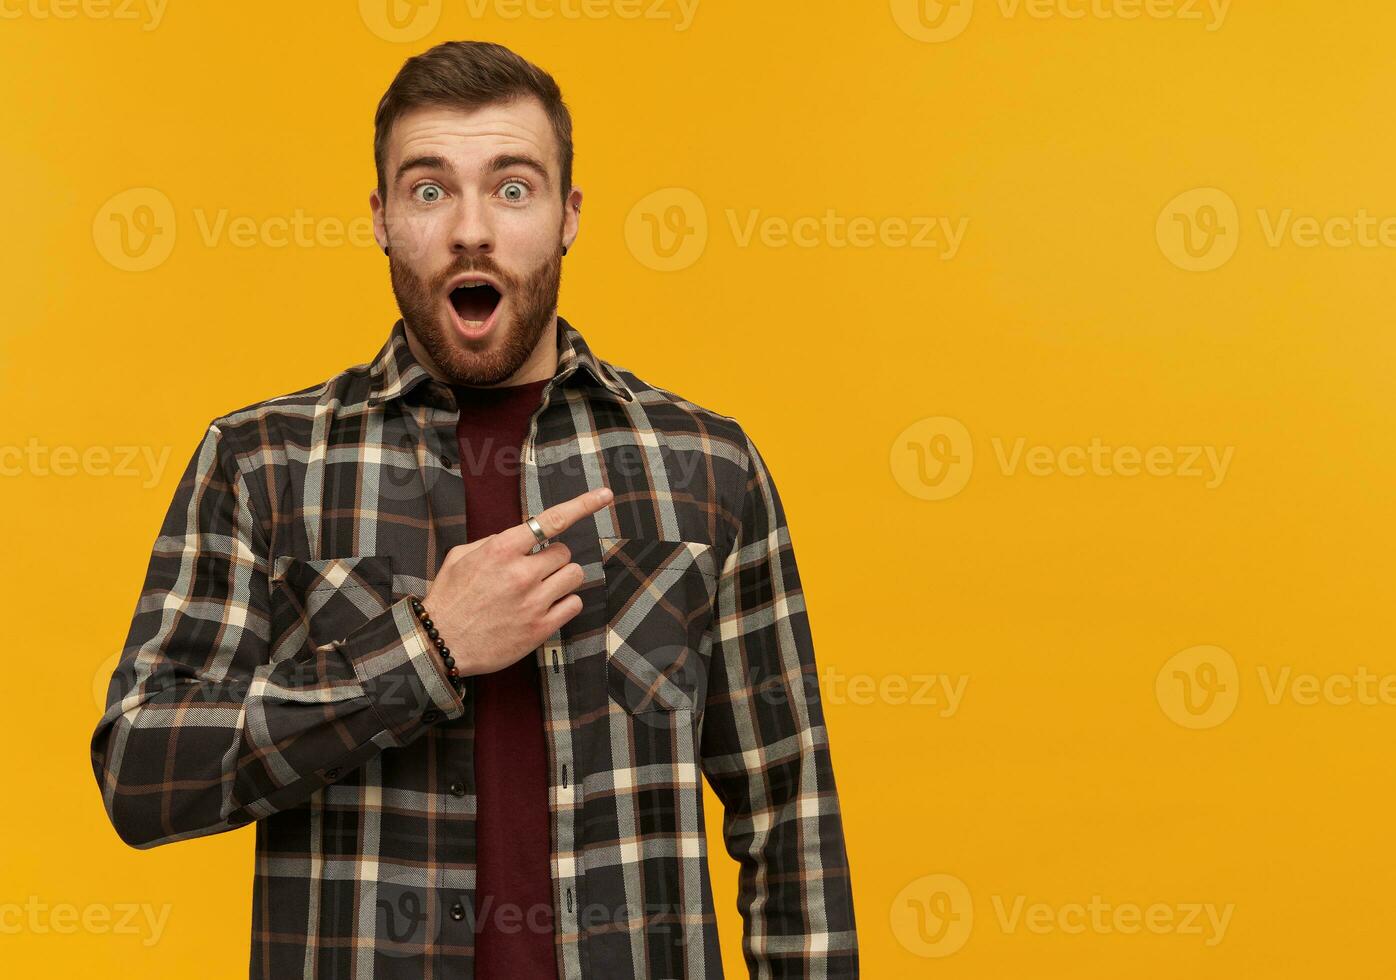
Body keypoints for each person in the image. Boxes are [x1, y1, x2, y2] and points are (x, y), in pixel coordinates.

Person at [89, 39, 858, 980]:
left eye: (513, 188)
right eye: (428, 190)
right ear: (379, 219)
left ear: (570, 215)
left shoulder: (703, 467)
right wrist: (426, 649)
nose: (470, 231)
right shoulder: (262, 466)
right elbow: (139, 770)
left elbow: (791, 818)